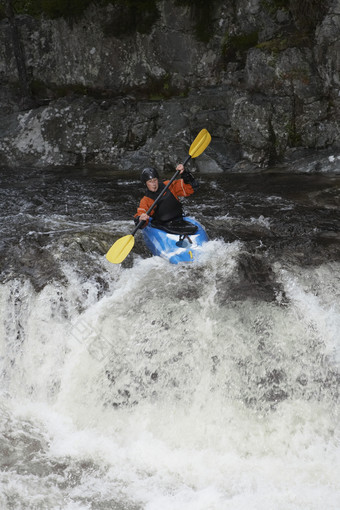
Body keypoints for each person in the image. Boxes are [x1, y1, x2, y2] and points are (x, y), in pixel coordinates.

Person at [134, 164, 199, 234]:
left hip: (179, 220)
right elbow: (140, 216)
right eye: (150, 181)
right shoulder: (146, 200)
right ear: (145, 184)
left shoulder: (168, 185)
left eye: (155, 180)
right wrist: (140, 218)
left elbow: (192, 187)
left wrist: (185, 173)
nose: (154, 184)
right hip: (163, 225)